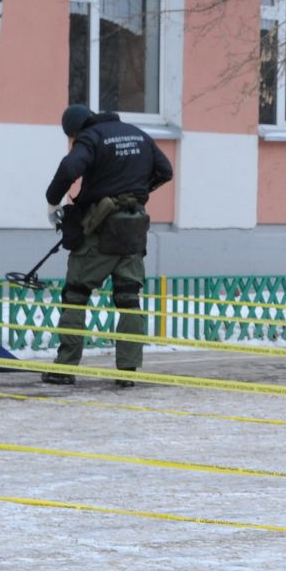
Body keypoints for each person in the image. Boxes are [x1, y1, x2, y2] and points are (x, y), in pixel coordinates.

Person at [40, 105, 172, 387]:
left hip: (99, 231)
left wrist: (53, 202)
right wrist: (138, 192)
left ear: (76, 130)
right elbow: (166, 171)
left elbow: (69, 168)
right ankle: (127, 371)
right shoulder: (138, 134)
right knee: (128, 299)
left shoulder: (92, 138)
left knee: (76, 294)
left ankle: (64, 369)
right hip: (133, 230)